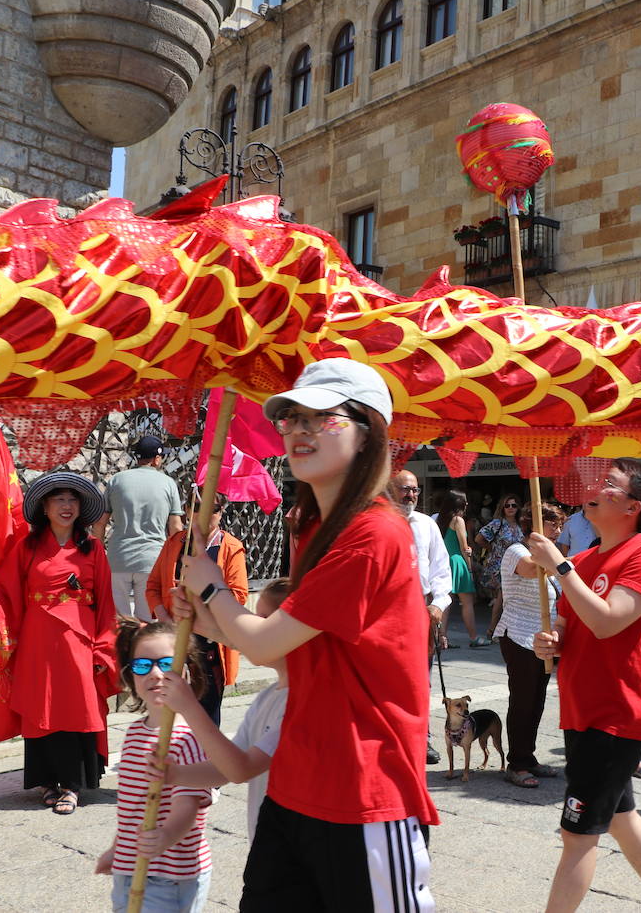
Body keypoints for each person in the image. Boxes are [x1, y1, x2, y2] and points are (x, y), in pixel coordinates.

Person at [173, 359, 437, 910]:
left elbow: (264, 644)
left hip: (364, 786)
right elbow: (290, 645)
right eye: (291, 418)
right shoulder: (313, 524)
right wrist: (202, 615)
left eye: (321, 417)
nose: (298, 430)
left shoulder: (375, 533)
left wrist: (212, 589)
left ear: (367, 433)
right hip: (296, 780)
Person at [527, 458, 641, 913]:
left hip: (615, 713)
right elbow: (569, 627)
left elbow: (607, 621)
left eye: (609, 484)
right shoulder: (583, 559)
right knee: (620, 816)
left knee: (576, 835)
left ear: (633, 506)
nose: (595, 487)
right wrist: (550, 643)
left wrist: (560, 567)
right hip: (582, 706)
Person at [0, 472, 118, 816]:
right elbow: (3, 594)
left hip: (79, 639)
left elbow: (107, 603)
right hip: (38, 640)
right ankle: (48, 781)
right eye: (59, 500)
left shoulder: (93, 547)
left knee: (76, 706)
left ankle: (72, 784)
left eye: (72, 500)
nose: (67, 506)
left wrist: (104, 647)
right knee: (42, 708)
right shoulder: (26, 547)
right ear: (45, 507)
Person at [151, 578, 291, 839]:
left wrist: (189, 707)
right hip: (265, 842)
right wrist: (175, 774)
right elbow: (225, 767)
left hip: (292, 848)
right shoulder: (267, 698)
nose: (253, 628)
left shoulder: (297, 703)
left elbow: (241, 768)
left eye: (264, 620)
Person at [97, 619, 213, 912]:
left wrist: (166, 836)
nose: (155, 674)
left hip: (170, 874)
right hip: (131, 867)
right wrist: (116, 849)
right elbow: (131, 807)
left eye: (166, 663)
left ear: (186, 671)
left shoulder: (189, 737)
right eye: (142, 666)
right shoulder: (135, 733)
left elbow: (188, 806)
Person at [145, 492, 248, 725]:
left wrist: (203, 601)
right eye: (198, 507)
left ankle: (208, 758)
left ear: (221, 513)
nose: (204, 514)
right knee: (171, 711)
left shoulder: (230, 547)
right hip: (174, 637)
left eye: (213, 509)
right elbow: (153, 587)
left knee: (207, 713)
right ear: (188, 511)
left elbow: (239, 595)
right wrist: (164, 617)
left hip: (210, 641)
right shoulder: (175, 542)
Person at [496, 500, 565, 788]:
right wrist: (552, 557)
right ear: (535, 525)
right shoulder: (517, 550)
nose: (558, 530)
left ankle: (529, 756)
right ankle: (517, 763)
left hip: (544, 639)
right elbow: (529, 569)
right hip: (519, 635)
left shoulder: (554, 555)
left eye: (561, 525)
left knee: (536, 701)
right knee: (522, 700)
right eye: (552, 524)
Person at [390, 470, 452, 764]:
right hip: (386, 612)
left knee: (420, 680)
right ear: (390, 490)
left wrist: (439, 604)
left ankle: (420, 738)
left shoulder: (427, 525)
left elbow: (442, 571)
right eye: (404, 490)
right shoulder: (379, 523)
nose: (410, 495)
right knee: (387, 677)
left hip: (420, 611)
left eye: (414, 490)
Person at [97, 435, 184, 621]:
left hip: (118, 558)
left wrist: (96, 553)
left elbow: (100, 523)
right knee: (147, 619)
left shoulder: (116, 481)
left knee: (119, 621)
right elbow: (176, 527)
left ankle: (119, 649)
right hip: (152, 560)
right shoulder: (168, 483)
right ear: (157, 458)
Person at [474, 492, 525, 646]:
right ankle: (492, 630)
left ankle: (503, 630)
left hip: (518, 567)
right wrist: (492, 549)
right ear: (502, 507)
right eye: (507, 505)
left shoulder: (521, 524)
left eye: (514, 505)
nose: (510, 508)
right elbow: (479, 538)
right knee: (502, 599)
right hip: (500, 567)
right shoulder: (498, 523)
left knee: (508, 600)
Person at [436, 489, 481, 647]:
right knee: (467, 602)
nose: (467, 504)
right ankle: (474, 637)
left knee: (446, 602)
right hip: (457, 562)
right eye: (465, 501)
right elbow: (464, 547)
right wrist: (469, 568)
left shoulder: (440, 519)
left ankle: (442, 638)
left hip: (444, 562)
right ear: (460, 504)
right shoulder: (458, 520)